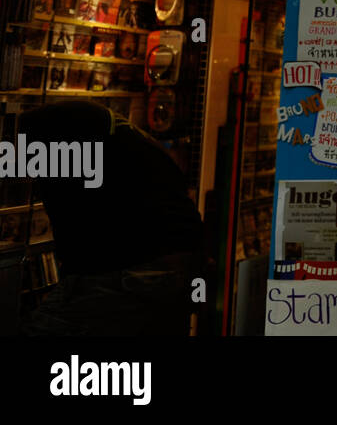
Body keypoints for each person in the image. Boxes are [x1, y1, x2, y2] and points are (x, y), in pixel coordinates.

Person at [19, 99, 203, 336]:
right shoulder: (100, 129)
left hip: (136, 265)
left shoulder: (43, 136)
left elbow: (74, 234)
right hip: (182, 265)